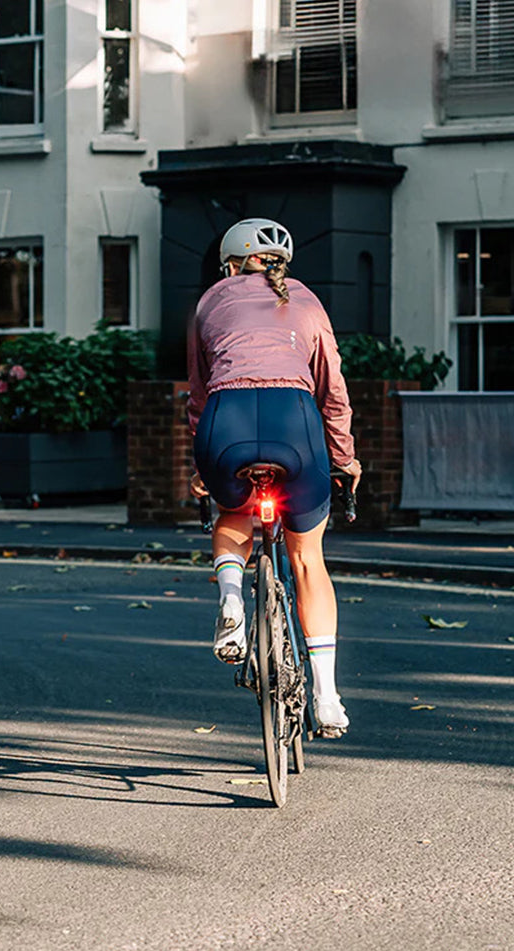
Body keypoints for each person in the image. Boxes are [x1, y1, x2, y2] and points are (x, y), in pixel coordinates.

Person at [188, 218, 362, 735]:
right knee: (308, 559)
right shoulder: (307, 301)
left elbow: (198, 392)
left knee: (234, 514)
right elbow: (333, 393)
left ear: (231, 264)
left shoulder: (210, 301)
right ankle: (327, 697)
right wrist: (345, 459)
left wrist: (201, 466)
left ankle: (232, 601)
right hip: (295, 422)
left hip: (226, 422)